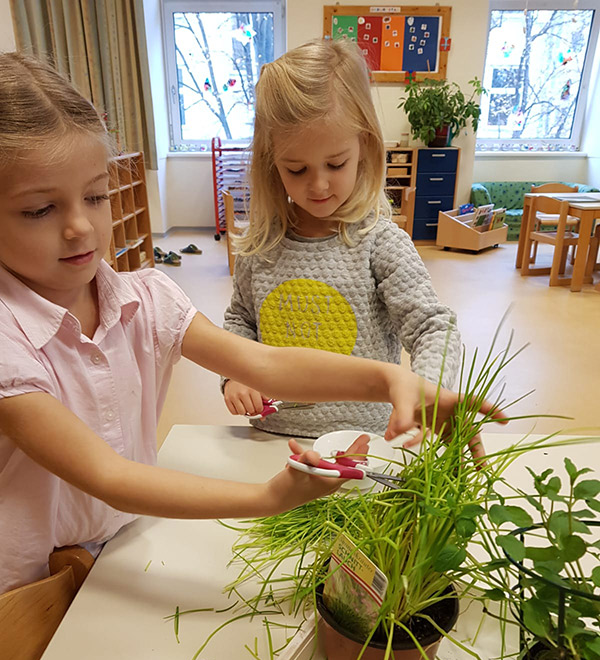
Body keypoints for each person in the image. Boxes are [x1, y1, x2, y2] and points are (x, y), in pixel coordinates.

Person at [0, 53, 504, 594]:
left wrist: (393, 380)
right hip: (25, 588)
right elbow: (110, 478)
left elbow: (263, 362)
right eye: (39, 210)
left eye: (97, 195)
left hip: (124, 547)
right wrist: (265, 500)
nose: (80, 227)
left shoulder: (143, 297)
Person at [222, 38, 462, 438]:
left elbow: (433, 328)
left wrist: (426, 392)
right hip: (274, 438)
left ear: (365, 148)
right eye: (296, 169)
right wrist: (235, 375)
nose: (318, 185)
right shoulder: (261, 247)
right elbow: (240, 321)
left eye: (336, 163)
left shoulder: (380, 243)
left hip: (364, 441)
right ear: (271, 163)